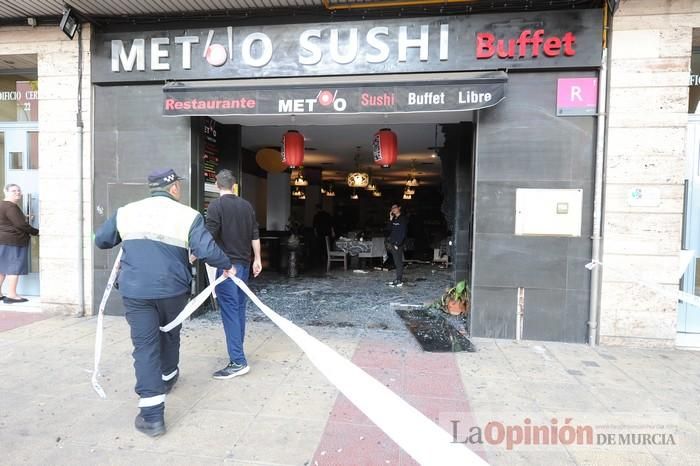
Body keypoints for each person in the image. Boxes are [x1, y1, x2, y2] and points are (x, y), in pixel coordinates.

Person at [95, 169, 233, 438]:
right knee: (170, 334)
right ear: (173, 189)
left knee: (145, 347)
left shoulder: (127, 211)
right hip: (173, 290)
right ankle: (168, 377)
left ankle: (152, 417)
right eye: (178, 185)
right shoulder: (188, 215)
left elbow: (101, 240)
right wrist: (226, 265)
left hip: (137, 292)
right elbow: (205, 250)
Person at [205, 169, 262, 380]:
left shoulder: (215, 206)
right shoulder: (246, 206)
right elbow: (254, 234)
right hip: (244, 265)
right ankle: (238, 354)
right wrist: (257, 259)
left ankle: (238, 361)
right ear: (234, 184)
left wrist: (193, 255)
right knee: (238, 310)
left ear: (217, 184)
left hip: (226, 268)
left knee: (230, 311)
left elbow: (208, 237)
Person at [0, 184, 39, 303]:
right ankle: (11, 295)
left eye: (18, 190)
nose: (17, 192)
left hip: (2, 240)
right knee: (13, 267)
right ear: (5, 192)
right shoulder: (11, 207)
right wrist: (36, 232)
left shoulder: (2, 205)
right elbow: (20, 225)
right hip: (13, 240)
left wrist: (24, 217)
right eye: (13, 191)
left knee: (1, 268)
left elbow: (8, 221)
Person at [386, 202, 408, 287]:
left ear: (399, 208)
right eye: (392, 208)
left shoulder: (403, 219)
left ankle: (399, 280)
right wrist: (390, 219)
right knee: (396, 262)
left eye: (395, 207)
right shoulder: (394, 219)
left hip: (398, 244)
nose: (393, 209)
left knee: (398, 262)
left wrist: (397, 243)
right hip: (393, 243)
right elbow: (388, 230)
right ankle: (397, 279)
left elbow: (403, 233)